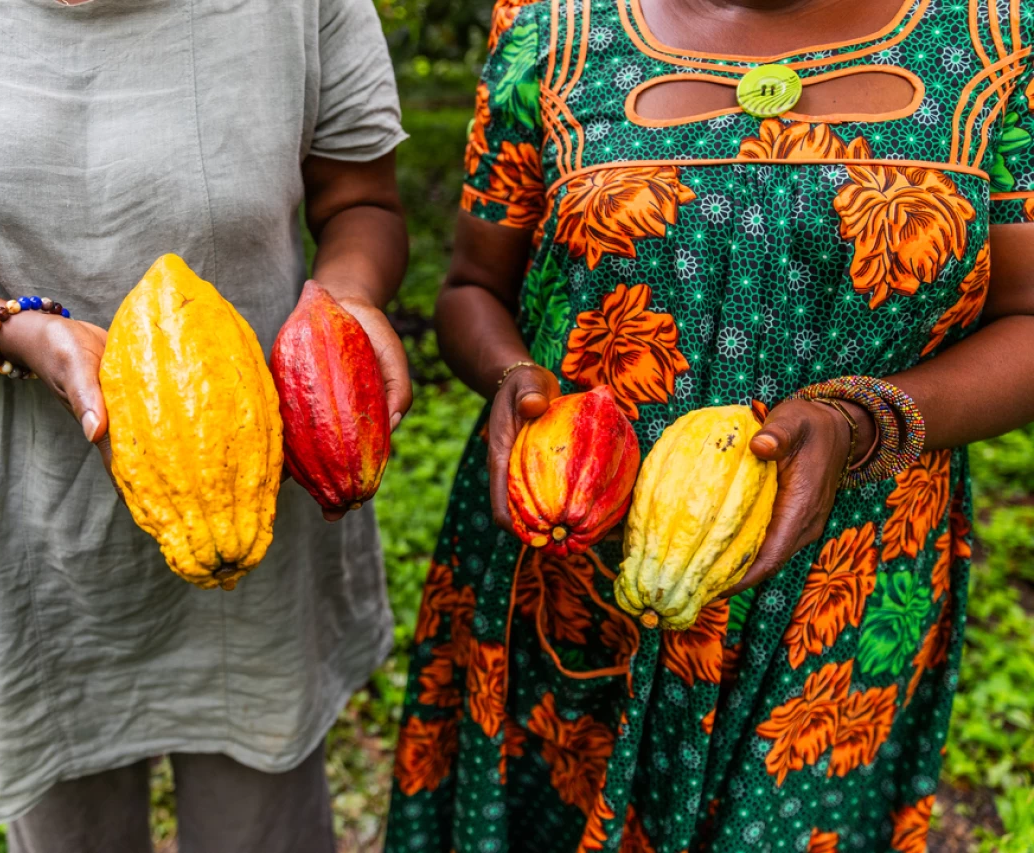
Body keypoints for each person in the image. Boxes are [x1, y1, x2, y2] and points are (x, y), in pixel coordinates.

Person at [0, 0, 411, 850]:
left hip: (260, 486)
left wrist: (345, 306)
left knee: (265, 820)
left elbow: (361, 197)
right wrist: (17, 330)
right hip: (22, 517)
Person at [386, 0, 1034, 850]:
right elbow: (472, 286)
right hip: (573, 567)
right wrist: (513, 376)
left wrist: (860, 424)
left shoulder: (994, 43)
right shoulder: (551, 31)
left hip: (836, 603)